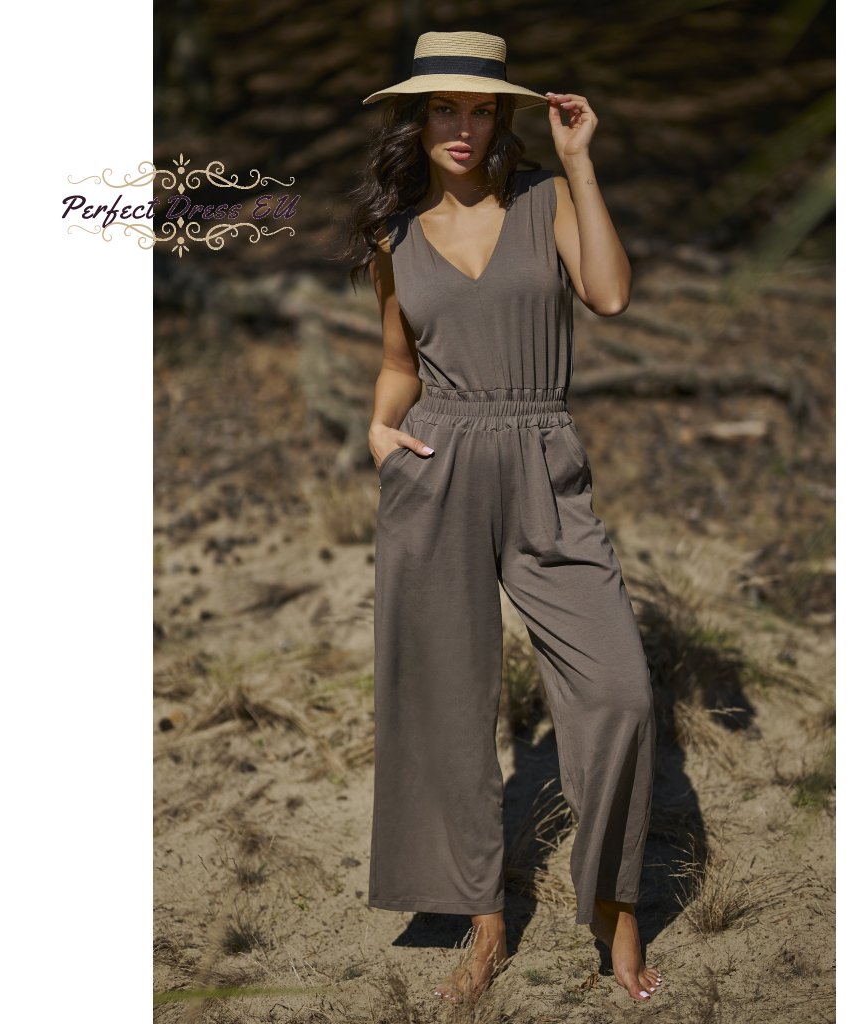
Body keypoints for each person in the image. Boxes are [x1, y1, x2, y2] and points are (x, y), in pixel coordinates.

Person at [346, 31, 661, 1006]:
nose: (463, 127)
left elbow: (608, 293)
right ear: (418, 119)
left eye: (481, 109)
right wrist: (378, 432)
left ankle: (611, 903)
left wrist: (579, 161)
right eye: (445, 108)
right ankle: (482, 919)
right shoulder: (395, 239)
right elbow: (398, 361)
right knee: (444, 703)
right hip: (435, 465)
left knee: (620, 690)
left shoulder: (545, 201)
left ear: (502, 118)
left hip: (542, 463)